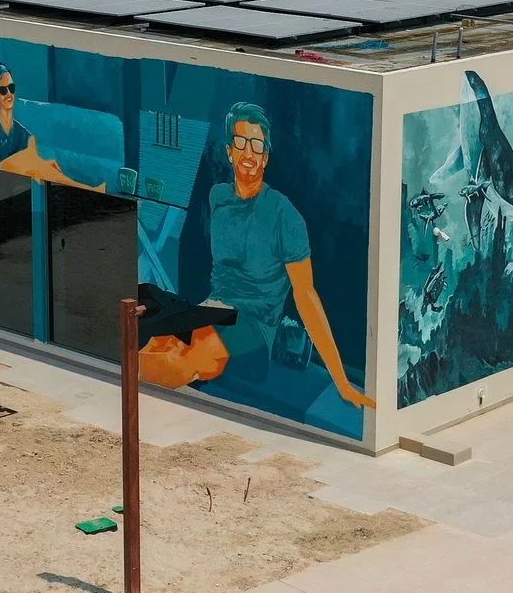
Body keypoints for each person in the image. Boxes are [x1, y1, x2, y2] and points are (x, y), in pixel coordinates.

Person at [139, 102, 372, 409]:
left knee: (186, 356)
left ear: (266, 157)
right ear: (229, 151)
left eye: (257, 145)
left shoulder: (285, 217)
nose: (248, 153)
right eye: (241, 143)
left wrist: (341, 382)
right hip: (210, 310)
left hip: (252, 329)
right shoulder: (218, 198)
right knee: (146, 315)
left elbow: (306, 295)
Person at [0, 61, 100, 189]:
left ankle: (83, 187)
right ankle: (88, 189)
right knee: (31, 161)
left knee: (42, 163)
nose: (9, 94)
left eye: (11, 88)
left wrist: (41, 164)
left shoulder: (18, 130)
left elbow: (31, 148)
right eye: (3, 90)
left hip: (14, 171)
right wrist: (15, 163)